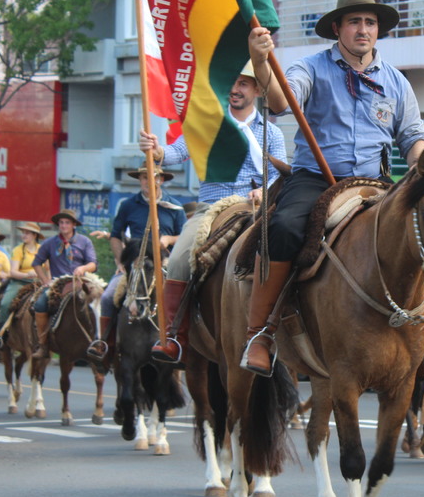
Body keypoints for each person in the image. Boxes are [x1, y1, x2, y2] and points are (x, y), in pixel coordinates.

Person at [240, 0, 424, 380]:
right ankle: (260, 334)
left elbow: (412, 138)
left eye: (370, 23)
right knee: (284, 227)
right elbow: (278, 103)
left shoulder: (396, 82)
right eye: (355, 22)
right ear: (338, 28)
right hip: (314, 178)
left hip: (374, 183)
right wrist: (261, 62)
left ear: (378, 31)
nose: (363, 30)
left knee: (422, 232)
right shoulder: (310, 68)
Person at [139, 62, 286, 363]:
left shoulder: (272, 133)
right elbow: (174, 153)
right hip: (211, 208)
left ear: (257, 90)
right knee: (179, 257)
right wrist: (155, 150)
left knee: (291, 249)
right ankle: (174, 338)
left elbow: (280, 173)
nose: (235, 89)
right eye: (231, 83)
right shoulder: (207, 124)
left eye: (243, 84)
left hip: (256, 207)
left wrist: (265, 190)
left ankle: (289, 331)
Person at [89, 164, 185, 364]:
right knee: (108, 297)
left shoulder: (174, 207)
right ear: (140, 180)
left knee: (185, 299)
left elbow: (184, 236)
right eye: (144, 177)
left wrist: (168, 240)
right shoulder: (129, 205)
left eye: (153, 177)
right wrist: (120, 261)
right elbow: (116, 236)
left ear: (161, 180)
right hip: (135, 266)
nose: (148, 181)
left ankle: (182, 344)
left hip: (164, 264)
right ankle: (106, 345)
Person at [30, 210, 98, 359]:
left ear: (74, 225)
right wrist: (45, 281)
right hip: (58, 282)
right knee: (40, 305)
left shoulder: (84, 241)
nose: (64, 225)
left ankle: (101, 342)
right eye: (61, 223)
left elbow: (93, 264)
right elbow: (36, 263)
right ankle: (43, 344)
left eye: (67, 222)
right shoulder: (49, 243)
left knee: (100, 301)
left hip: (81, 281)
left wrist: (83, 268)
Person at [0, 222, 45, 349]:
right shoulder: (18, 250)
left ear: (34, 235)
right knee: (5, 303)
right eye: (23, 232)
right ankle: (2, 335)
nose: (24, 235)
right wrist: (27, 275)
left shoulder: (43, 250)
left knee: (54, 302)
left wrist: (43, 277)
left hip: (40, 282)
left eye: (27, 233)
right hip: (20, 282)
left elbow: (49, 269)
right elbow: (13, 271)